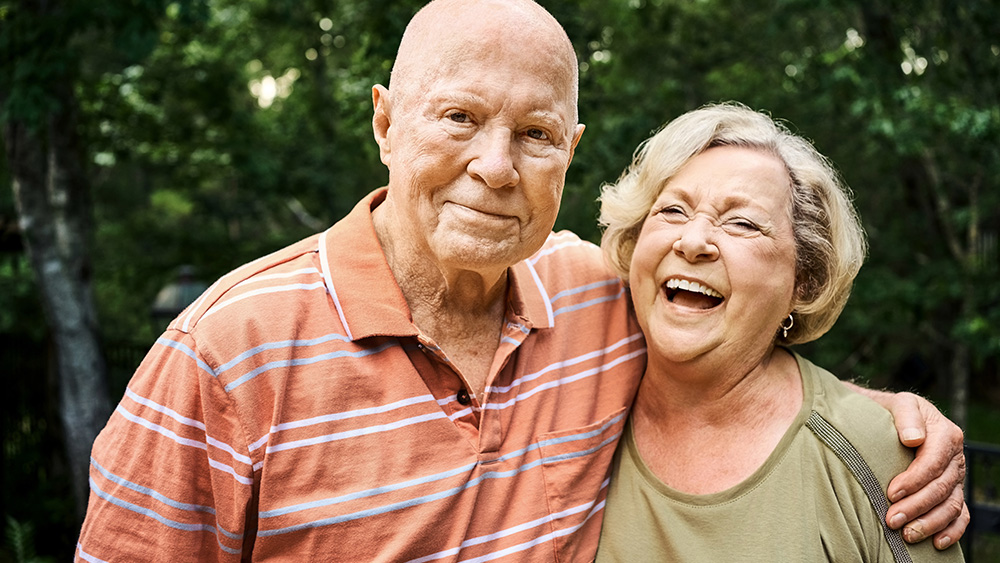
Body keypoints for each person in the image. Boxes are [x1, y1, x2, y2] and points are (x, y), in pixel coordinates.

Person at [76, 1, 967, 561]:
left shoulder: (593, 299)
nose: (496, 167)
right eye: (458, 117)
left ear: (570, 155)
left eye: (536, 134)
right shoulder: (227, 351)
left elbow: (731, 349)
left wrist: (875, 415)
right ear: (384, 120)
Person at [595, 102, 965, 561]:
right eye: (672, 210)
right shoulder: (569, 399)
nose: (692, 242)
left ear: (803, 281)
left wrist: (866, 421)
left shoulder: (878, 458)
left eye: (742, 223)